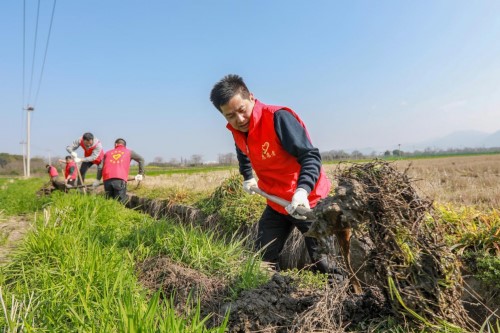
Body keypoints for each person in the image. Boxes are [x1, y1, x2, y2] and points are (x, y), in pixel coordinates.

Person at [210, 74, 334, 278]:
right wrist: (247, 176)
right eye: (230, 116)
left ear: (251, 97)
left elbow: (310, 156)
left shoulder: (278, 118)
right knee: (263, 257)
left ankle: (341, 299)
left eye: (242, 110)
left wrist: (302, 190)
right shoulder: (237, 129)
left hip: (308, 202)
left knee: (324, 261)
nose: (239, 120)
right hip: (276, 201)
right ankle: (269, 296)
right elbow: (243, 151)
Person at [95, 138, 145, 204]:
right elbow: (141, 159)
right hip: (119, 179)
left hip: (107, 180)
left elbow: (100, 167)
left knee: (108, 201)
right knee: (120, 202)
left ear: (115, 144)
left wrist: (97, 180)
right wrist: (140, 174)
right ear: (125, 145)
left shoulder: (107, 153)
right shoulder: (129, 152)